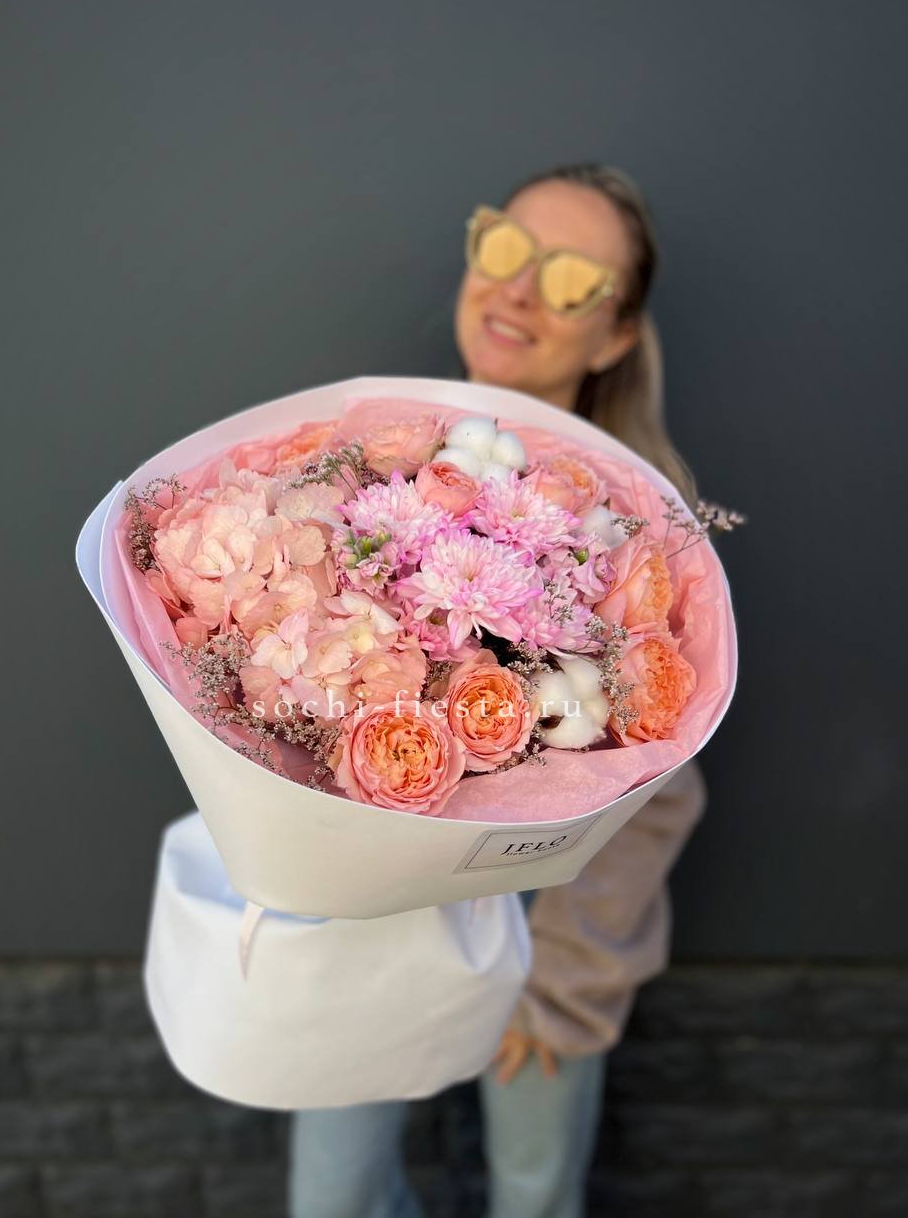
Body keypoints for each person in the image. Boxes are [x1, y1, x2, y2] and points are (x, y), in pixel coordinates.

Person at [287, 162, 708, 1218]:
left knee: (533, 1193)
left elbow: (664, 779)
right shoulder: (369, 465)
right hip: (370, 907)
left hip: (548, 925)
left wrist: (561, 976)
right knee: (333, 1197)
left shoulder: (638, 523)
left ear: (614, 334)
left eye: (568, 279)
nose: (519, 288)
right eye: (507, 248)